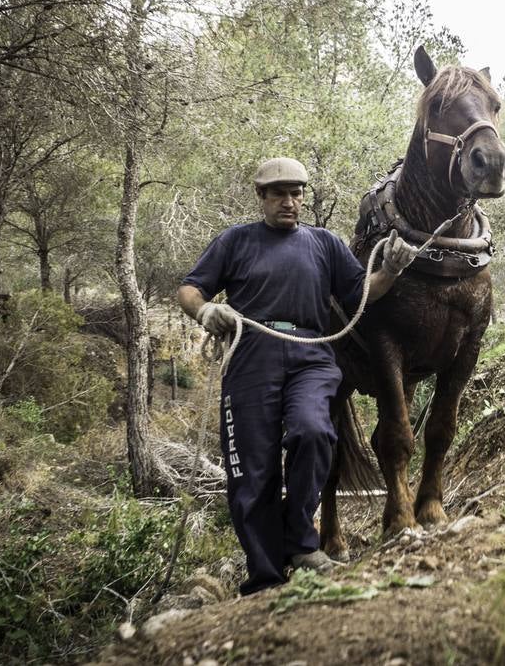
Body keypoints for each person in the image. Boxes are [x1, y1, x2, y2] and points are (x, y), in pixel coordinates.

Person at [178, 157, 416, 596]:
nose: (289, 202)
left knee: (314, 432)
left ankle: (301, 543)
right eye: (279, 195)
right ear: (262, 198)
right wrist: (205, 308)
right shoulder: (235, 241)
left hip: (312, 352)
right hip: (250, 351)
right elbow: (190, 289)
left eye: (296, 194)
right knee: (253, 469)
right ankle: (266, 577)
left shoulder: (324, 243)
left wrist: (392, 271)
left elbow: (362, 292)